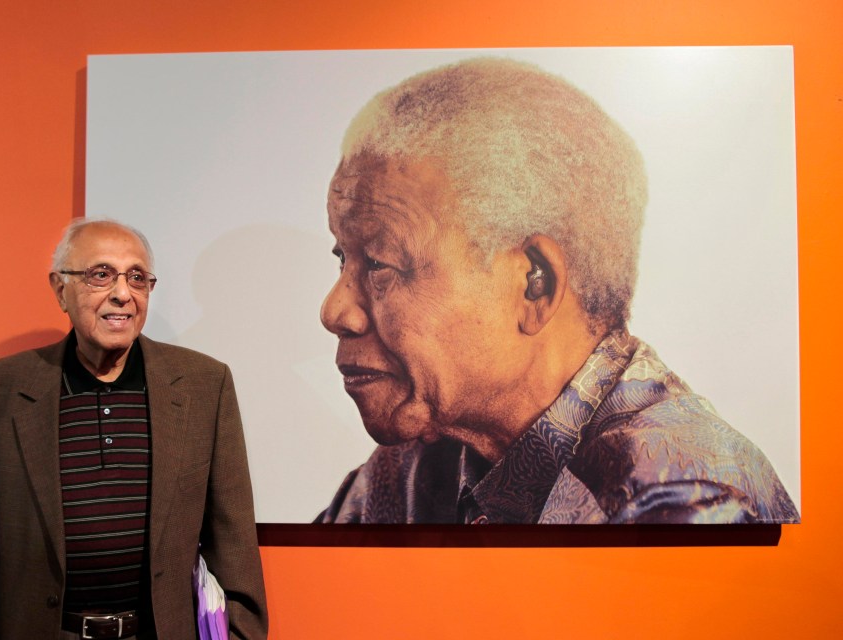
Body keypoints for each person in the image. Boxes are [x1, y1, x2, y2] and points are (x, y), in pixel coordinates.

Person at [316, 58, 799, 525]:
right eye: (344, 258)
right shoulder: (410, 468)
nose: (335, 310)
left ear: (534, 284)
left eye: (379, 264)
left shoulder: (680, 497)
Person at [0, 219, 268, 639]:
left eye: (137, 278)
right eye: (101, 275)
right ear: (60, 290)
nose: (123, 294)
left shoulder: (204, 384)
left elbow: (233, 544)